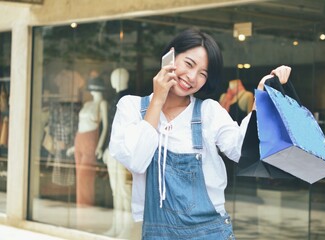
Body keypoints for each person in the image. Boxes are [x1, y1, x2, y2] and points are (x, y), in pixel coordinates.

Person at [109, 28, 291, 239]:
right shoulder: (130, 107)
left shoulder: (209, 112)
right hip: (157, 233)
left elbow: (242, 151)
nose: (192, 77)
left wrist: (262, 96)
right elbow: (136, 161)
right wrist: (157, 100)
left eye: (203, 73)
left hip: (209, 232)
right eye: (188, 64)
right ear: (170, 56)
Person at [67, 76, 108, 208]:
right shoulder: (87, 104)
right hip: (79, 138)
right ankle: (80, 206)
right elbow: (80, 123)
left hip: (91, 139)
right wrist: (74, 145)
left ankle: (86, 205)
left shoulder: (103, 104)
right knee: (79, 175)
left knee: (85, 176)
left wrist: (100, 146)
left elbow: (106, 127)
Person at [103, 68, 133, 237]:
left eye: (116, 77)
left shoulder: (127, 100)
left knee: (124, 191)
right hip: (113, 150)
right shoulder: (118, 98)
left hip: (120, 151)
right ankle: (117, 226)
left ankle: (126, 228)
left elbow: (121, 129)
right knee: (117, 191)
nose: (113, 80)